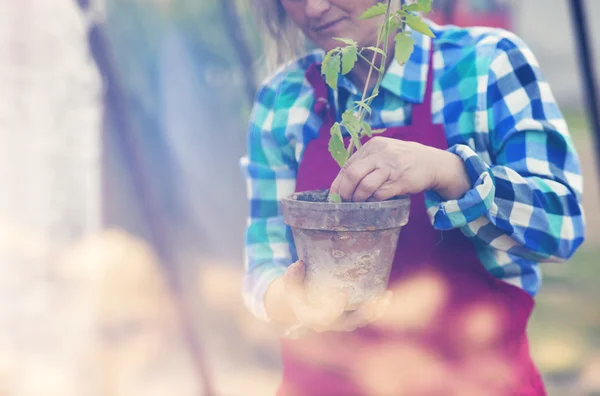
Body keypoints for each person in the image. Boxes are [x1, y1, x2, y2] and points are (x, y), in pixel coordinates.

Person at [240, 1, 586, 394]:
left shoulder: (486, 65)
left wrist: (452, 173)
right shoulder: (283, 100)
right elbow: (263, 263)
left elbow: (561, 229)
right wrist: (292, 301)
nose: (314, 7)